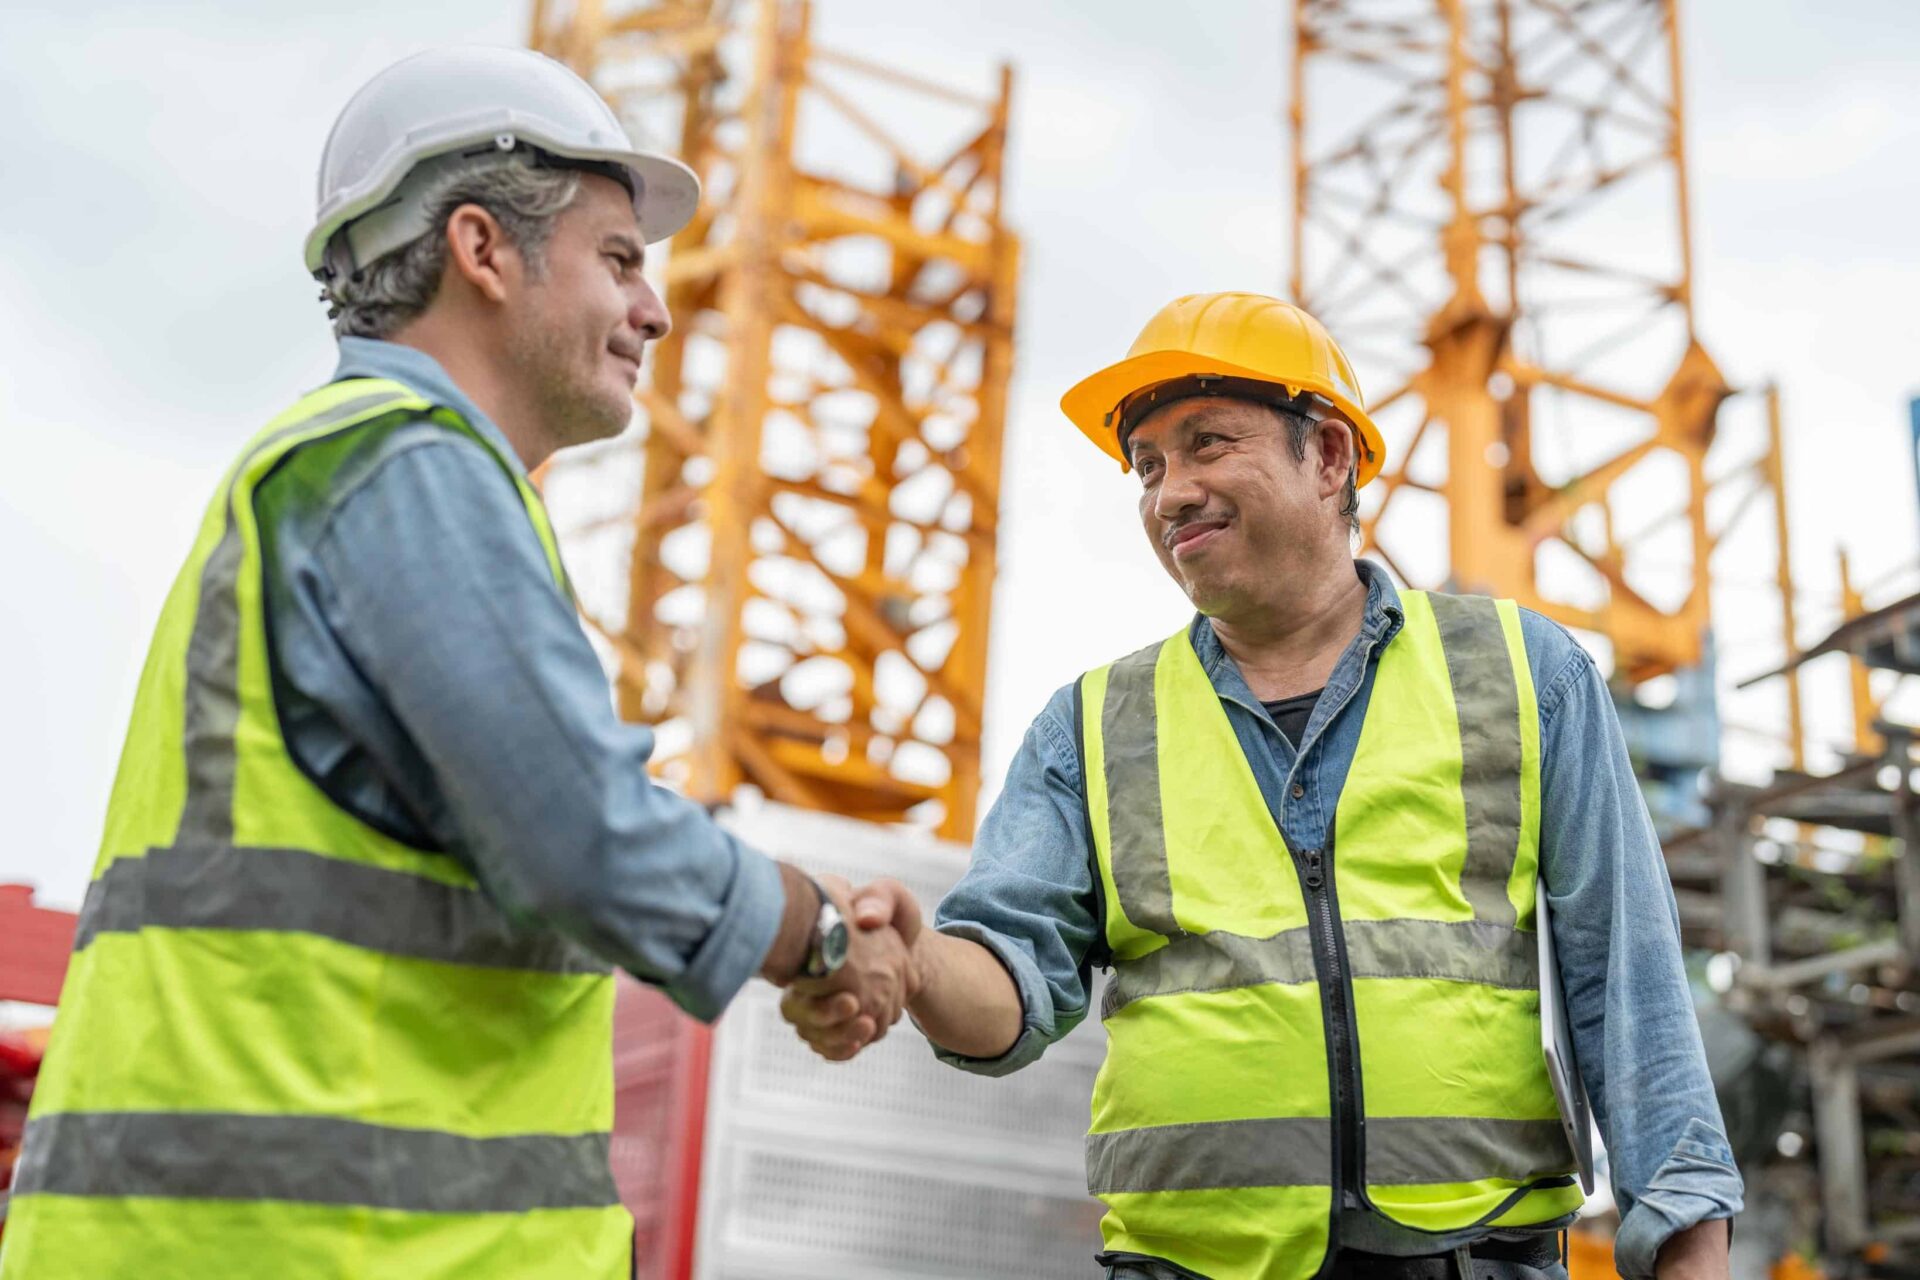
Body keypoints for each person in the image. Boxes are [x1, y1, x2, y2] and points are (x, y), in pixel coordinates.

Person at [0, 46, 914, 1279]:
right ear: (483, 250)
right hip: (322, 1247)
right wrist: (817, 933)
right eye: (619, 259)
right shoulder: (405, 467)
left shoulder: (372, 471)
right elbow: (580, 835)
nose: (655, 310)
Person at [782, 293, 1744, 1279]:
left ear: (1329, 456)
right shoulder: (1096, 724)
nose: (1169, 493)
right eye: (1148, 465)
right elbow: (1010, 985)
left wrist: (1690, 1247)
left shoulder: (1521, 673)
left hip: (1472, 1259)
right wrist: (919, 962)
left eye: (1208, 444)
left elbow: (1626, 980)